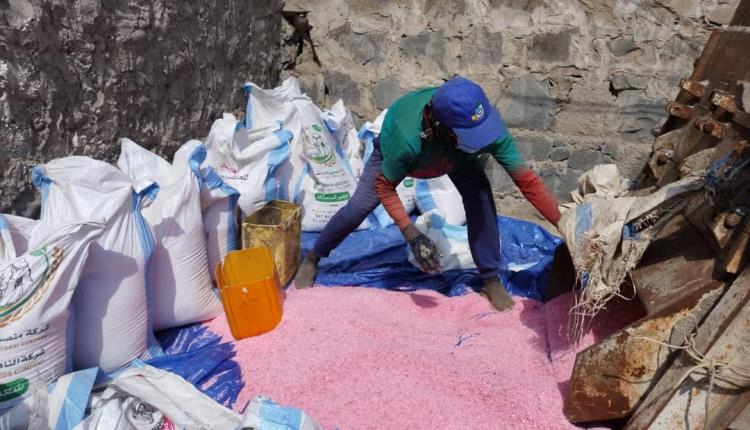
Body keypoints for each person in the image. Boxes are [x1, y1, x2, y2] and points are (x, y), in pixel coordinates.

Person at [294, 76, 561, 311]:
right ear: (440, 126)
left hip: (459, 156)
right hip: (413, 155)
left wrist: (564, 224)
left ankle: (490, 278)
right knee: (358, 208)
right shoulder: (406, 138)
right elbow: (384, 187)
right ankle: (314, 257)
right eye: (473, 135)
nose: (483, 139)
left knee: (480, 198)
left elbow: (527, 182)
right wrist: (411, 233)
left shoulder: (483, 125)